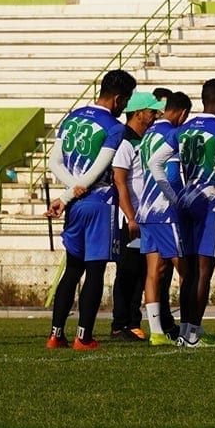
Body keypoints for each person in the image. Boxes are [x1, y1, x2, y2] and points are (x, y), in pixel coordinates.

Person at [47, 69, 136, 349]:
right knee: (95, 271)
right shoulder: (113, 126)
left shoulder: (72, 117)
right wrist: (76, 190)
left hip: (75, 204)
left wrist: (67, 195)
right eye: (126, 101)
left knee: (72, 269)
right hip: (98, 203)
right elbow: (98, 170)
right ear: (118, 98)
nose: (125, 107)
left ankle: (56, 334)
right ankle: (83, 336)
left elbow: (54, 163)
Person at [174, 79, 215, 348]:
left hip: (186, 198)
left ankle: (184, 330)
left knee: (187, 271)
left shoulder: (184, 129)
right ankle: (193, 333)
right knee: (203, 269)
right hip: (209, 201)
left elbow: (159, 160)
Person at [122, 91, 183, 347]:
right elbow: (168, 171)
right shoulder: (170, 134)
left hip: (146, 210)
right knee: (186, 270)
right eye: (151, 110)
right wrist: (177, 199)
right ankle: (192, 329)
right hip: (163, 211)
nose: (155, 113)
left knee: (153, 272)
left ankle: (157, 331)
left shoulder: (146, 137)